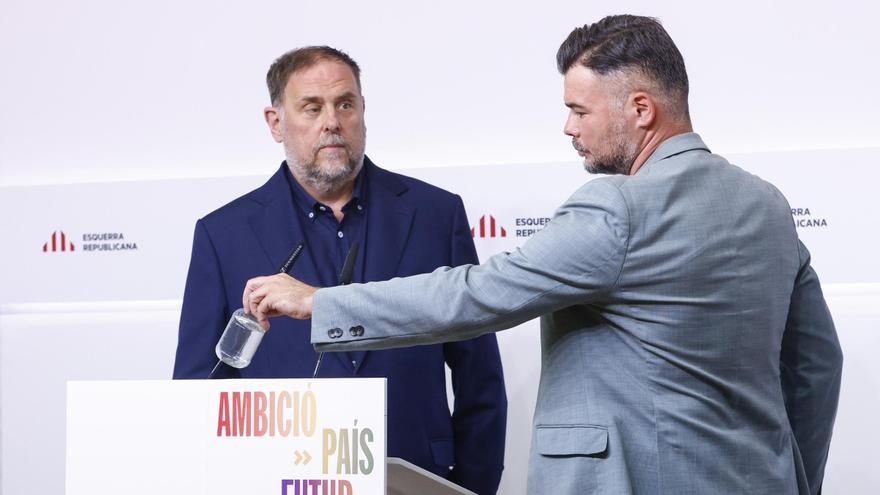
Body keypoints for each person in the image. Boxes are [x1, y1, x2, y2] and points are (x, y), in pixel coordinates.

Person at [241, 16, 844, 495]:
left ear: (641, 110)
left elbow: (476, 294)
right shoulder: (767, 205)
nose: (568, 127)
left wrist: (322, 302)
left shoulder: (618, 209)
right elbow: (817, 364)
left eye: (579, 110)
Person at [172, 46, 507, 495]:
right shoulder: (223, 234)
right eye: (312, 108)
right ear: (275, 122)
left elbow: (479, 376)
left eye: (345, 104)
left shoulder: (436, 214)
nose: (332, 121)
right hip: (277, 481)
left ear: (363, 111)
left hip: (417, 477)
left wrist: (469, 489)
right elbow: (199, 391)